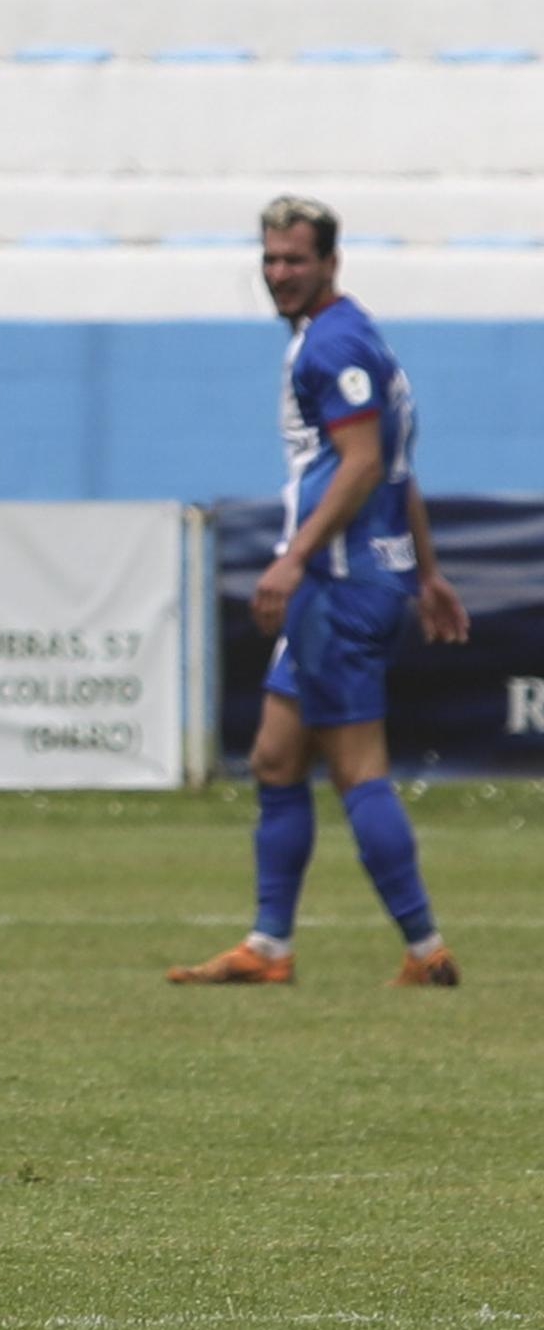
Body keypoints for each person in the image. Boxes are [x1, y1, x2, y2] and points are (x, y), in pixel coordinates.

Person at [168, 196, 470, 988]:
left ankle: (424, 948)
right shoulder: (353, 333)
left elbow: (365, 461)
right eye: (269, 259)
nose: (279, 274)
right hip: (353, 579)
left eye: (294, 260)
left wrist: (294, 557)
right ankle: (269, 947)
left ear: (330, 261)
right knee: (275, 757)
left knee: (358, 767)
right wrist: (429, 572)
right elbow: (392, 467)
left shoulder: (332, 345)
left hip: (337, 586)